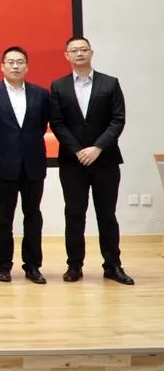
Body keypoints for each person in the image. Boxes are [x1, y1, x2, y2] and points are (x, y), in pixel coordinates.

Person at [49, 36, 133, 285]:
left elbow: (118, 119)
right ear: (66, 55)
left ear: (91, 53)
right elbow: (57, 123)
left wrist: (97, 148)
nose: (79, 53)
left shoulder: (110, 83)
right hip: (72, 163)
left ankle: (113, 265)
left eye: (83, 49)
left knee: (107, 214)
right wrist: (78, 150)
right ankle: (74, 265)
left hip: (105, 160)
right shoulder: (58, 86)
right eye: (74, 50)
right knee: (74, 214)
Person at [0, 46, 50, 284]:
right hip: (3, 164)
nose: (15, 66)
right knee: (3, 218)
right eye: (10, 62)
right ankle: (3, 265)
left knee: (33, 216)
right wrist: (1, 148)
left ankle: (33, 265)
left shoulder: (41, 94)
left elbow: (41, 126)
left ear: (27, 67)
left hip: (33, 164)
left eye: (20, 62)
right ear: (2, 66)